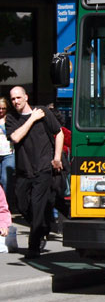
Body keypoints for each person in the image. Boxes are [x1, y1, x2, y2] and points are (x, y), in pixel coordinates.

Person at [5, 86, 64, 258]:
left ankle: (34, 246)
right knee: (23, 206)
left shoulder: (43, 112)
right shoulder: (12, 118)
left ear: (26, 97)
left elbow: (58, 133)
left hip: (43, 169)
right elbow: (15, 137)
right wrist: (31, 119)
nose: (15, 101)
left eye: (18, 97)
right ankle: (43, 227)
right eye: (13, 99)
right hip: (24, 170)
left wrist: (57, 157)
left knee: (38, 207)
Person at [0, 97, 15, 197]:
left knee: (5, 180)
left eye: (3, 108)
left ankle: (5, 203)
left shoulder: (10, 119)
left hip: (8, 153)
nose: (1, 110)